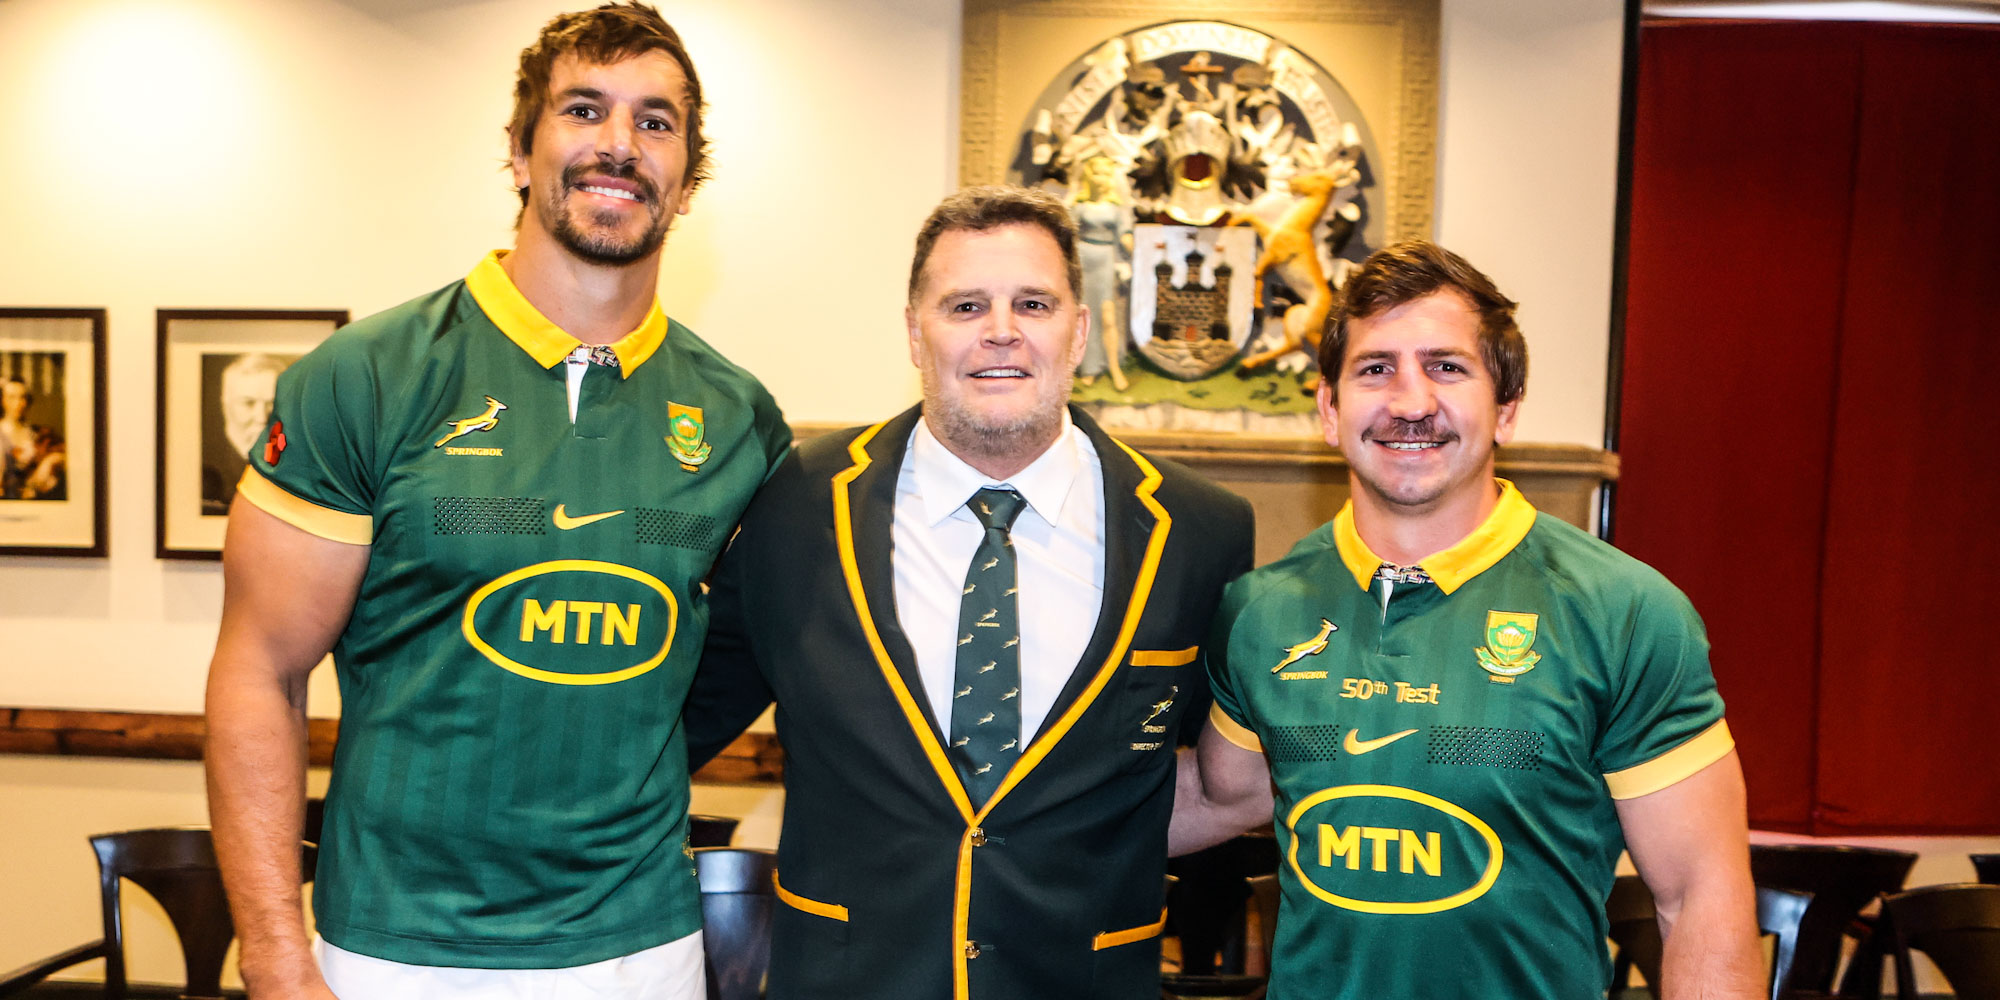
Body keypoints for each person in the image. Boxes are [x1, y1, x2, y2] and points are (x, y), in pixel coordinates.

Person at [202, 5, 790, 999]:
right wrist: (271, 948)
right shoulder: (366, 378)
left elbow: (742, 653)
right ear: (520, 151)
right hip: (390, 950)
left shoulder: (737, 418)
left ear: (686, 179)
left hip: (641, 950)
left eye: (657, 121)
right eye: (583, 109)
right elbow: (258, 669)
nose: (618, 143)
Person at [683, 185, 1254, 1000]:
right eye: (964, 305)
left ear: (1079, 329)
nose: (1001, 330)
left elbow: (1214, 779)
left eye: (1033, 302)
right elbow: (678, 724)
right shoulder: (796, 503)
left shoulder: (1201, 531)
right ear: (915, 331)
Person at [1171, 240, 1763, 998]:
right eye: (1375, 368)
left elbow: (1702, 897)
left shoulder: (1626, 611)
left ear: (1506, 407)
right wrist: (997, 820)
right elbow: (1228, 796)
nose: (1411, 402)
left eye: (1446, 367)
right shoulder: (1261, 610)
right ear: (1328, 409)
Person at [201, 353, 288, 514]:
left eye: (272, 404)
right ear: (226, 404)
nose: (261, 417)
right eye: (248, 403)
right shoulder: (203, 471)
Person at [0, 375, 64, 500]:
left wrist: (49, 461)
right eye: (12, 397)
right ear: (2, 400)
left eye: (22, 397)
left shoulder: (36, 434)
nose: (19, 403)